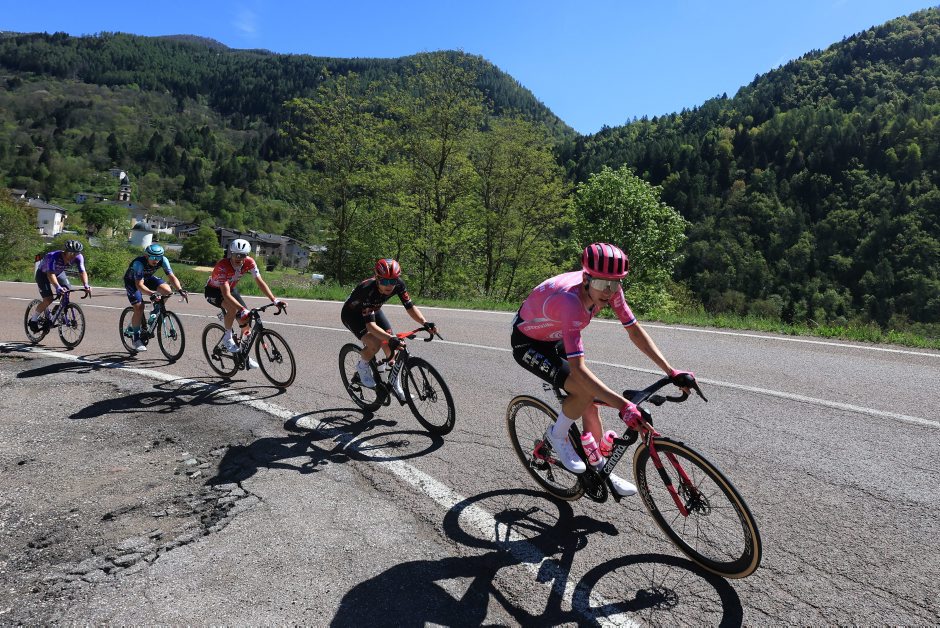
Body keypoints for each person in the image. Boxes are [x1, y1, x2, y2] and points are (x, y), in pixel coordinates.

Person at [511, 242, 696, 497]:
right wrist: (624, 406)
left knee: (591, 404)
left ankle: (600, 467)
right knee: (584, 391)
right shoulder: (571, 302)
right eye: (601, 283)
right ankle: (557, 435)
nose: (608, 291)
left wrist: (670, 370)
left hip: (557, 335)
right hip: (529, 343)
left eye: (615, 283)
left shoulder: (610, 290)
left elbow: (634, 330)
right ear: (586, 278)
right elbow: (579, 370)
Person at [341, 258, 436, 398]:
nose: (389, 285)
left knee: (392, 349)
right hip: (352, 315)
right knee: (375, 343)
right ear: (377, 278)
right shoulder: (367, 290)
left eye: (393, 280)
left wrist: (424, 322)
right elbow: (371, 327)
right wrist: (391, 338)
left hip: (373, 309)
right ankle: (362, 367)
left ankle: (394, 383)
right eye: (385, 281)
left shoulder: (399, 285)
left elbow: (410, 307)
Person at [204, 238, 286, 368]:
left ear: (246, 255)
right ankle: (227, 337)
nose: (238, 258)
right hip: (214, 291)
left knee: (246, 320)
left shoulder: (250, 262)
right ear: (230, 253)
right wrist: (242, 309)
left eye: (242, 255)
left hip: (231, 289)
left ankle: (243, 356)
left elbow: (260, 282)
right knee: (233, 309)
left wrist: (274, 300)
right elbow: (226, 294)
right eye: (235, 254)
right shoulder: (222, 266)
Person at [122, 243, 186, 352]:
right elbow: (139, 285)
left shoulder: (163, 260)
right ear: (146, 256)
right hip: (133, 282)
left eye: (159, 257)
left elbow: (171, 276)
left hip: (147, 278)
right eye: (153, 257)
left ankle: (155, 311)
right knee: (139, 307)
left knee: (167, 291)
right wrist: (152, 294)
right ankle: (136, 339)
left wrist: (180, 289)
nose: (156, 260)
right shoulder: (139, 263)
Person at [28, 240, 91, 332]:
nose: (74, 256)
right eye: (71, 253)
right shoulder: (53, 256)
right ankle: (33, 319)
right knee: (48, 299)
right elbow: (50, 274)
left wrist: (86, 285)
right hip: (43, 274)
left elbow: (82, 272)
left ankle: (57, 311)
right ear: (65, 252)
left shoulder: (79, 257)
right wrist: (58, 287)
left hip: (59, 273)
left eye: (76, 253)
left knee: (68, 290)